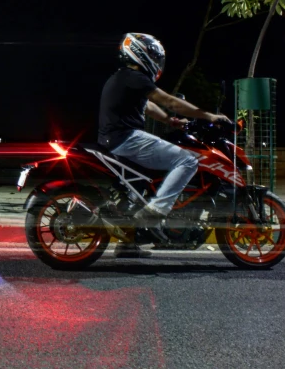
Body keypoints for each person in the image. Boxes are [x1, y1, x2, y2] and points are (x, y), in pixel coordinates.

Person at [98, 33, 232, 258]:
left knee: (144, 183)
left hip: (116, 139)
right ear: (140, 53)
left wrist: (170, 121)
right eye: (152, 55)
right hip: (126, 138)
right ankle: (156, 211)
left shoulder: (125, 78)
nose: (156, 61)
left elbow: (148, 106)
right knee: (187, 160)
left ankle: (128, 244)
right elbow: (169, 101)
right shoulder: (135, 77)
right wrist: (208, 115)